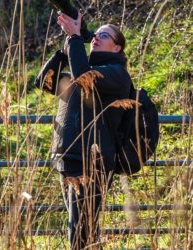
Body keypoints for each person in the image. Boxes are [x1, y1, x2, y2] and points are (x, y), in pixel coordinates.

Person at [35, 12, 132, 250]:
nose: (97, 38)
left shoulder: (116, 75)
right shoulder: (84, 69)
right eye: (96, 34)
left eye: (104, 35)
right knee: (83, 231)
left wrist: (76, 38)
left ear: (117, 47)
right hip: (70, 160)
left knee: (79, 234)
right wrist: (65, 50)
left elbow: (83, 77)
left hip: (91, 161)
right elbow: (44, 82)